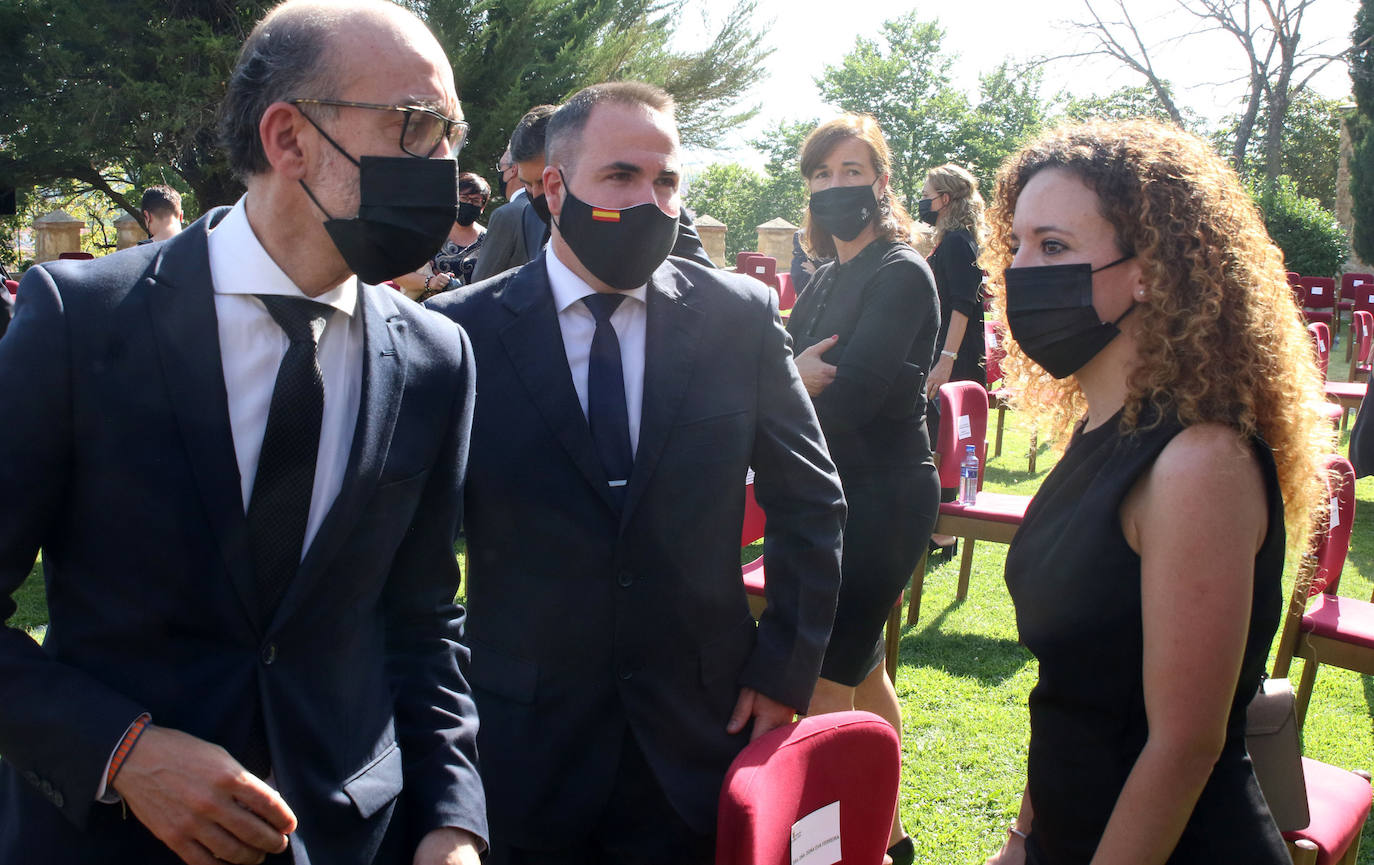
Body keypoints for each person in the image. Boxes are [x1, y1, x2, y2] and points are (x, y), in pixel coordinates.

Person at [0, 2, 488, 863]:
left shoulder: (435, 356)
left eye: (453, 134)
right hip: (114, 838)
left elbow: (422, 622)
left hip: (348, 836)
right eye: (417, 126)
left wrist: (453, 819)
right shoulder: (80, 321)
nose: (447, 166)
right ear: (288, 139)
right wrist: (121, 750)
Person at [427, 81, 845, 865]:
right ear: (554, 188)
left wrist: (786, 666)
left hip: (698, 732)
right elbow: (413, 561)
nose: (651, 202)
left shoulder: (739, 318)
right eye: (622, 177)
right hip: (523, 745)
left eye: (668, 181)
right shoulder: (461, 334)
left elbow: (810, 501)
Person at [981, 120, 1330, 865]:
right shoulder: (1100, 427)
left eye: (1054, 247)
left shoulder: (1197, 462)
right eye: (1015, 246)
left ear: (1149, 271)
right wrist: (1022, 836)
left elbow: (1183, 747)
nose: (1021, 271)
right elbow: (1071, 689)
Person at [786, 113, 941, 865]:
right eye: (822, 175)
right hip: (831, 492)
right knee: (866, 670)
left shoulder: (901, 272)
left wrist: (790, 380)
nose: (836, 187)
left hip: (881, 499)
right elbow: (783, 360)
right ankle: (889, 838)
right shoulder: (826, 276)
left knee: (822, 686)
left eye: (852, 172)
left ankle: (842, 853)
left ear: (882, 182)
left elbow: (854, 399)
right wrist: (793, 376)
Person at [471, 105, 555, 282]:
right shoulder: (528, 212)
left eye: (543, 181)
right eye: (528, 184)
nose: (537, 193)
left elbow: (481, 279)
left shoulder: (506, 214)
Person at [394, 171, 491, 299]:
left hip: (469, 313)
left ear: (482, 206)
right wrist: (430, 282)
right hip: (424, 312)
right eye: (464, 198)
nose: (469, 203)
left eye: (475, 200)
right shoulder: (427, 231)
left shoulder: (488, 239)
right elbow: (398, 275)